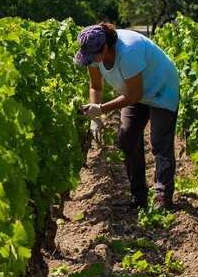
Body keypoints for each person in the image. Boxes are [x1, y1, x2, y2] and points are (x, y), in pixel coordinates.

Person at [74, 23, 180, 210]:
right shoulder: (94, 56)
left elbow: (134, 96)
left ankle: (163, 197)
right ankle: (139, 197)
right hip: (134, 92)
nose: (90, 60)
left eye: (93, 57)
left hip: (161, 89)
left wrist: (101, 108)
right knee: (127, 138)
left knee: (159, 143)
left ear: (105, 48)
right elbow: (96, 87)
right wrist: (95, 118)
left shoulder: (129, 51)